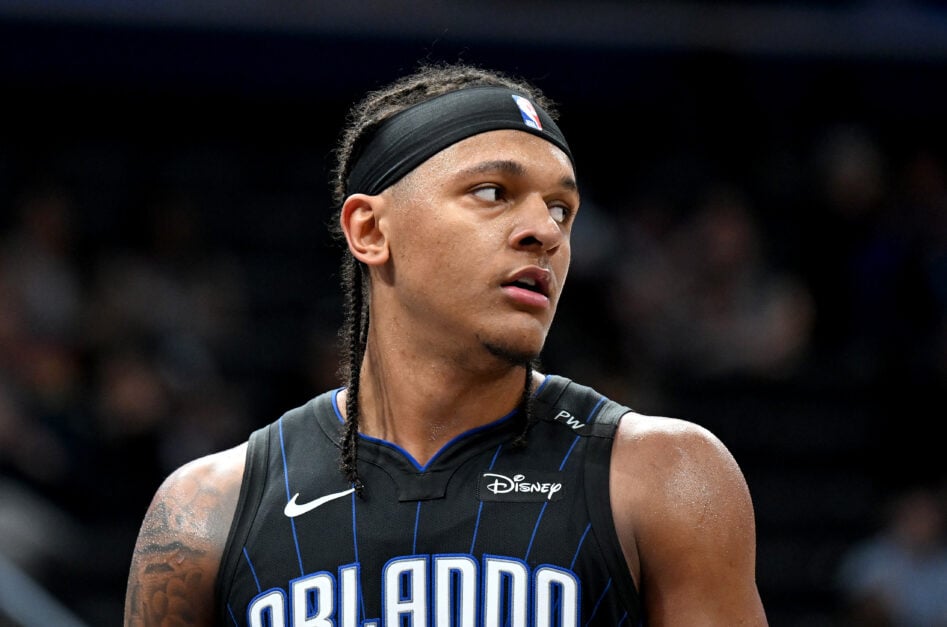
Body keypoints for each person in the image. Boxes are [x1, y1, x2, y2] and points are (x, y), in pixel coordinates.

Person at [123, 62, 768, 626]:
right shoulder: (203, 513)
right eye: (492, 193)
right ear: (370, 230)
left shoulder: (666, 478)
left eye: (561, 210)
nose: (545, 231)